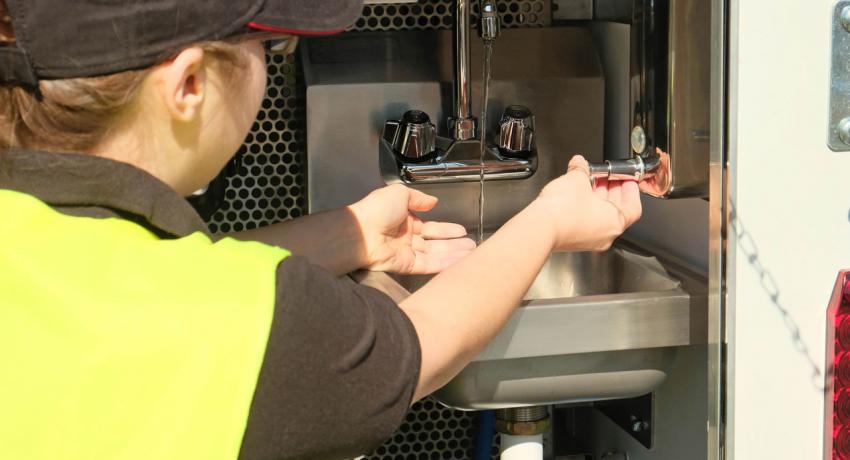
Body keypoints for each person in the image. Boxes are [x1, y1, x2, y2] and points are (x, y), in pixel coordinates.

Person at [0, 1, 642, 459]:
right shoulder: (246, 323)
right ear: (189, 85)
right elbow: (422, 343)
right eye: (269, 47)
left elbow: (139, 276)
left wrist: (350, 232)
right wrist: (549, 219)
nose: (274, 64)